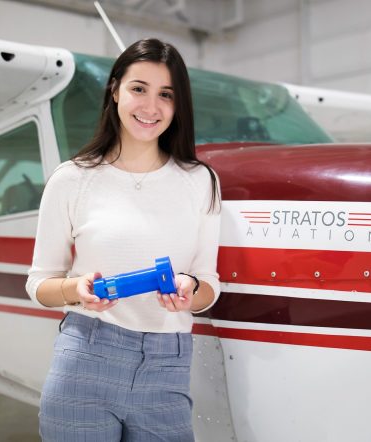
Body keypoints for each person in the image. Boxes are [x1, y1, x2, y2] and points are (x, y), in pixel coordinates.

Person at [25, 38, 221, 442]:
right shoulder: (72, 179)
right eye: (138, 89)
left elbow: (209, 284)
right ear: (114, 90)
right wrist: (75, 290)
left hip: (169, 362)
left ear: (178, 104)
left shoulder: (201, 181)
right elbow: (39, 284)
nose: (151, 107)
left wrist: (193, 289)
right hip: (86, 355)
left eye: (166, 95)